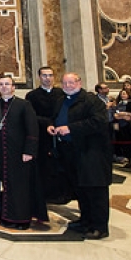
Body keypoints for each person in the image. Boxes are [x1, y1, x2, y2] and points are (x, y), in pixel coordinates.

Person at [48, 73, 113, 240]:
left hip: (91, 152)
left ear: (79, 82)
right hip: (70, 152)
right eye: (65, 82)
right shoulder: (61, 100)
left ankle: (99, 226)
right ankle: (85, 220)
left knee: (95, 189)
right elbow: (55, 118)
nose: (68, 85)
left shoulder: (91, 101)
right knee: (80, 188)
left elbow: (98, 122)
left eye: (71, 82)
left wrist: (71, 128)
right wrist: (51, 126)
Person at [0, 76, 40, 231]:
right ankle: (7, 216)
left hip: (19, 152)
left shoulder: (23, 104)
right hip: (1, 151)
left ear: (13, 87)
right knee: (7, 184)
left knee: (20, 186)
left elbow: (32, 129)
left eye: (7, 84)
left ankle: (22, 219)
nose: (4, 87)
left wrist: (29, 151)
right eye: (1, 84)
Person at [25, 66, 67, 205]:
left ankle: (61, 193)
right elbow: (31, 116)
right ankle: (45, 193)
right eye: (44, 75)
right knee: (44, 165)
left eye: (50, 75)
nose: (47, 78)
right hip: (42, 134)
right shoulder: (32, 96)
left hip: (61, 133)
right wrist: (47, 124)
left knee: (61, 164)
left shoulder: (61, 93)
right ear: (39, 77)